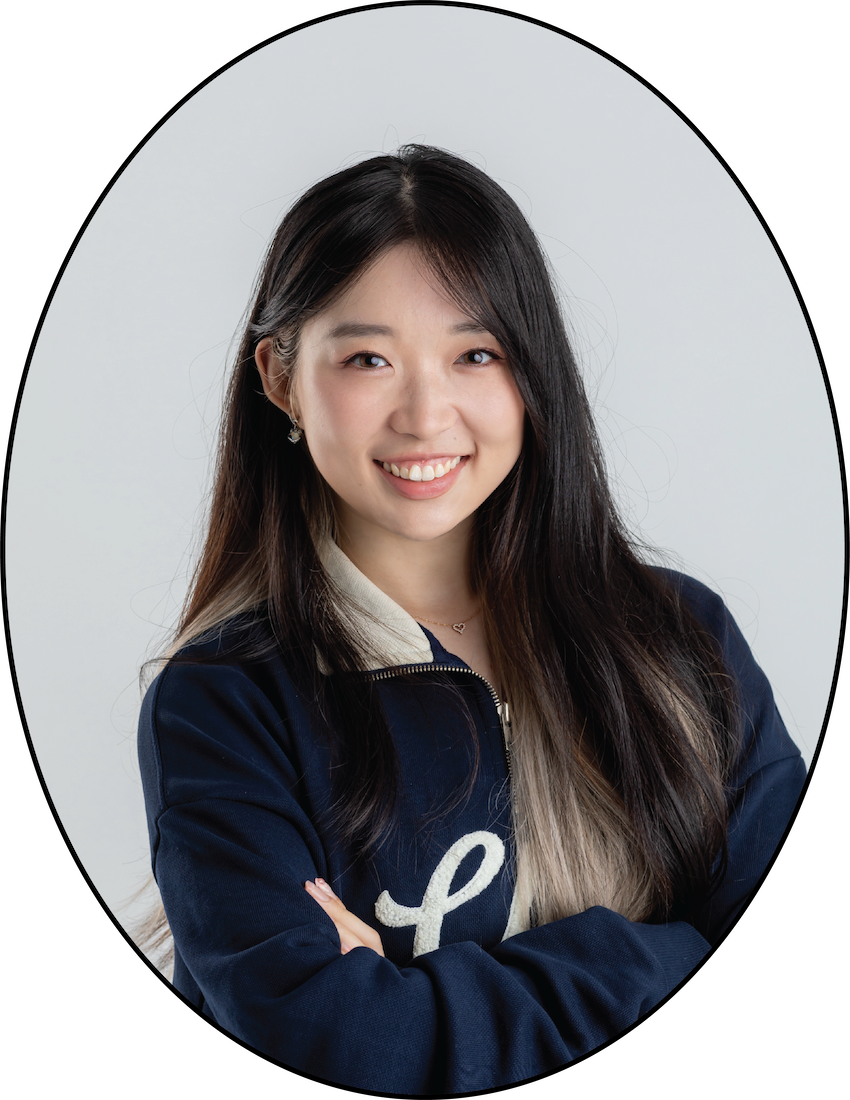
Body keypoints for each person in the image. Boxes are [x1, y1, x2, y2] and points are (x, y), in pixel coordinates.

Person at [136, 144, 806, 1092]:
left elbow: (386, 1029)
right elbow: (336, 1046)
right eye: (368, 358)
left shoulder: (682, 638)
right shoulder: (223, 701)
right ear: (280, 379)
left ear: (532, 372)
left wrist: (410, 995)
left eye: (475, 355)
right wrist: (666, 953)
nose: (425, 414)